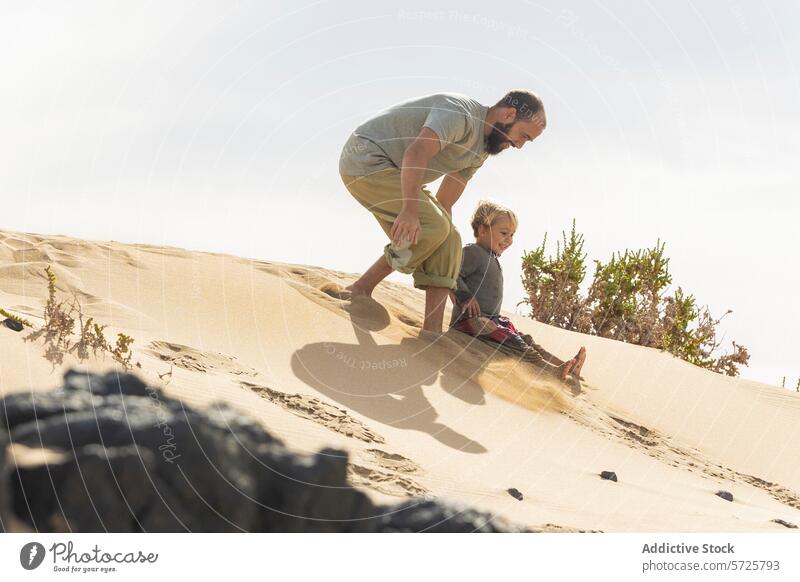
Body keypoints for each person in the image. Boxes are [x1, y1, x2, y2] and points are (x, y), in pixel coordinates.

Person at [338, 90, 546, 336]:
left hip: (397, 173)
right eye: (522, 135)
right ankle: (360, 288)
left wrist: (444, 243)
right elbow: (416, 153)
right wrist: (409, 210)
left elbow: (445, 201)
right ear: (509, 114)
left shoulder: (480, 151)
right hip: (366, 160)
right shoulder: (460, 114)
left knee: (450, 239)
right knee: (436, 226)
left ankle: (432, 333)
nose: (519, 145)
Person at [450, 200, 586, 383]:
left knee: (525, 340)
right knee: (515, 342)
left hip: (492, 320)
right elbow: (452, 274)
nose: (509, 240)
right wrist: (465, 297)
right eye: (504, 233)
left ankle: (566, 365)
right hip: (470, 322)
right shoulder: (473, 252)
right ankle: (551, 371)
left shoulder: (491, 257)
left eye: (512, 235)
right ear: (482, 230)